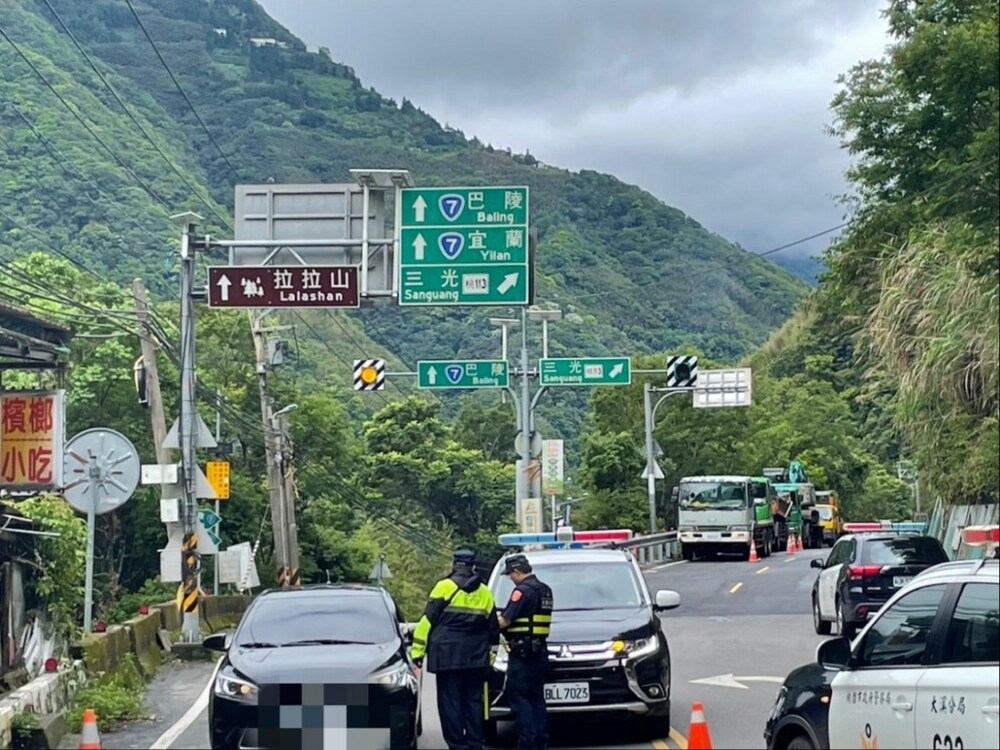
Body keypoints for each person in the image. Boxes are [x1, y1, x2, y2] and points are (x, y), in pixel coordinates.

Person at [411, 550, 499, 750]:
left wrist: (417, 653)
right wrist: (491, 658)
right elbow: (493, 628)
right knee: (473, 701)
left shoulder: (444, 587)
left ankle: (457, 745)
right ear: (473, 567)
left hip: (446, 656)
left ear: (454, 565)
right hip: (476, 657)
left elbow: (427, 621)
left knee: (450, 702)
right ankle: (475, 743)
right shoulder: (485, 591)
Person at [496, 553, 553, 750]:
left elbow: (505, 620)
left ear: (517, 572)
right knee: (537, 697)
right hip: (540, 652)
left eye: (511, 574)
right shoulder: (545, 590)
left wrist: (488, 622)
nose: (511, 579)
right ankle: (540, 740)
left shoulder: (522, 591)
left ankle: (527, 742)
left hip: (522, 654)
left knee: (520, 698)